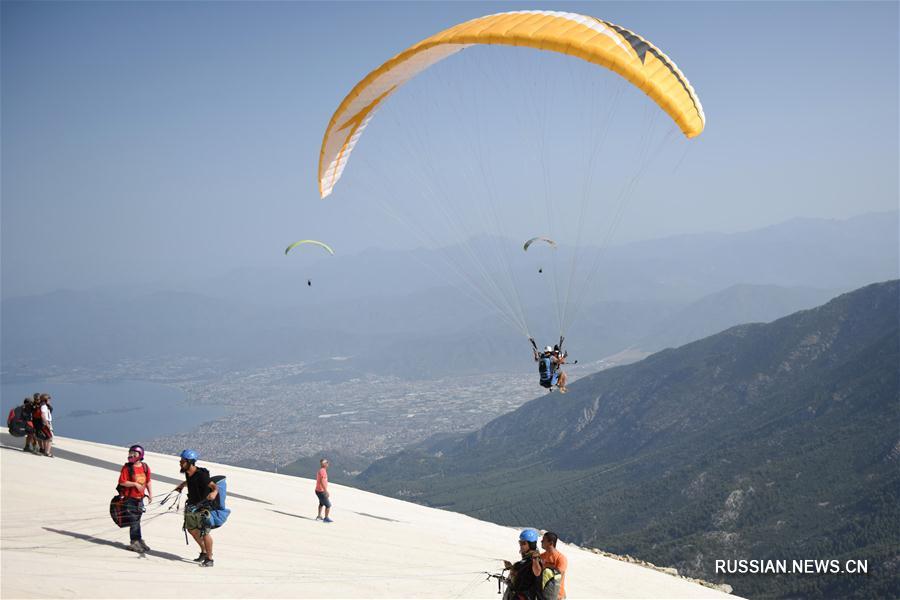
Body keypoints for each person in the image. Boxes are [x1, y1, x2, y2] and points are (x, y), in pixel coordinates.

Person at [174, 449, 218, 567]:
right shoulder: (189, 473)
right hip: (192, 506)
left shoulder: (201, 475)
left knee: (204, 532)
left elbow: (214, 486)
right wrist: (182, 485)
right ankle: (203, 552)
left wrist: (214, 493)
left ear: (190, 462)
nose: (180, 463)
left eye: (182, 461)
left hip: (204, 507)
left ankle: (209, 559)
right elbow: (191, 481)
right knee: (191, 529)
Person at [117, 445, 152, 552]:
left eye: (134, 453)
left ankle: (138, 540)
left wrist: (150, 493)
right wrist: (135, 484)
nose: (131, 455)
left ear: (140, 455)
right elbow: (122, 481)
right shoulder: (127, 468)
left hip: (140, 499)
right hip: (129, 499)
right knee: (134, 520)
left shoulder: (145, 467)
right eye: (130, 453)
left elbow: (148, 481)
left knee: (137, 520)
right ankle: (134, 541)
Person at [502, 528, 543, 600]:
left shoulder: (535, 558)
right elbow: (523, 573)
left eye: (523, 543)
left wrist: (535, 559)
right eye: (520, 542)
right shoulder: (526, 559)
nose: (520, 545)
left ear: (531, 544)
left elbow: (537, 572)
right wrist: (511, 568)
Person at [540, 531, 568, 600]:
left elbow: (558, 573)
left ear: (551, 543)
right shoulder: (541, 556)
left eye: (544, 540)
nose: (541, 541)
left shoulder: (561, 558)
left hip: (557, 596)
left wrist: (546, 567)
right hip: (544, 594)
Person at [315, 458, 333, 522]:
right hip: (321, 490)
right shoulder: (322, 471)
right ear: (324, 464)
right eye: (327, 463)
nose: (328, 464)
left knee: (321, 503)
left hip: (318, 490)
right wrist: (326, 491)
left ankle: (319, 516)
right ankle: (326, 518)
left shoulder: (321, 470)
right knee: (328, 505)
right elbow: (322, 481)